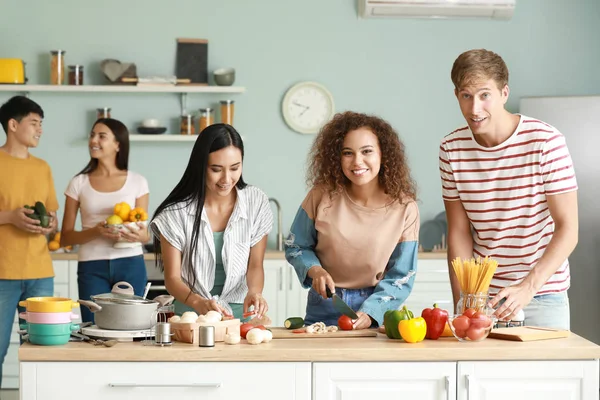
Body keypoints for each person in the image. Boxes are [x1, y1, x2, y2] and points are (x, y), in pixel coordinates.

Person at [439, 49, 578, 329]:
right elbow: (459, 232)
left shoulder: (546, 142)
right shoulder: (451, 149)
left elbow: (568, 228)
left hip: (542, 295)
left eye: (484, 95)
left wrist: (527, 288)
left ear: (504, 93)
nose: (475, 108)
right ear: (457, 96)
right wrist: (464, 302)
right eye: (466, 95)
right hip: (483, 299)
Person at [285, 111, 420, 330]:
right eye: (348, 153)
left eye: (367, 151)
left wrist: (371, 312)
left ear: (383, 154)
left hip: (376, 308)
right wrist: (315, 270)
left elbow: (401, 275)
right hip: (324, 302)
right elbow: (296, 245)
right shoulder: (321, 195)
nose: (357, 162)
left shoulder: (405, 208)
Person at [150, 124, 273, 320]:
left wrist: (255, 292)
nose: (226, 179)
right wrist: (199, 303)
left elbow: (255, 265)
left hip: (240, 314)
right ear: (201, 166)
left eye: (235, 168)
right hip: (192, 314)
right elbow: (172, 279)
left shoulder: (255, 202)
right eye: (216, 169)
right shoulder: (174, 213)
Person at [60, 118, 150, 323]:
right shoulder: (78, 183)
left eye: (102, 136)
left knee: (132, 326)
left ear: (118, 144)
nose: (93, 140)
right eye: (92, 135)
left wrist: (141, 235)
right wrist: (96, 232)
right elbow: (65, 238)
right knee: (94, 329)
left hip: (131, 262)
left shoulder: (137, 182)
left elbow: (144, 233)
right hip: (92, 266)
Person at [0, 96, 58, 388]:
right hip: (1, 273)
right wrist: (9, 216)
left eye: (40, 124)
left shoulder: (43, 167)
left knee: (42, 352)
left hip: (39, 274)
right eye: (34, 123)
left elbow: (52, 216)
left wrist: (51, 223)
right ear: (13, 125)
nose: (39, 130)